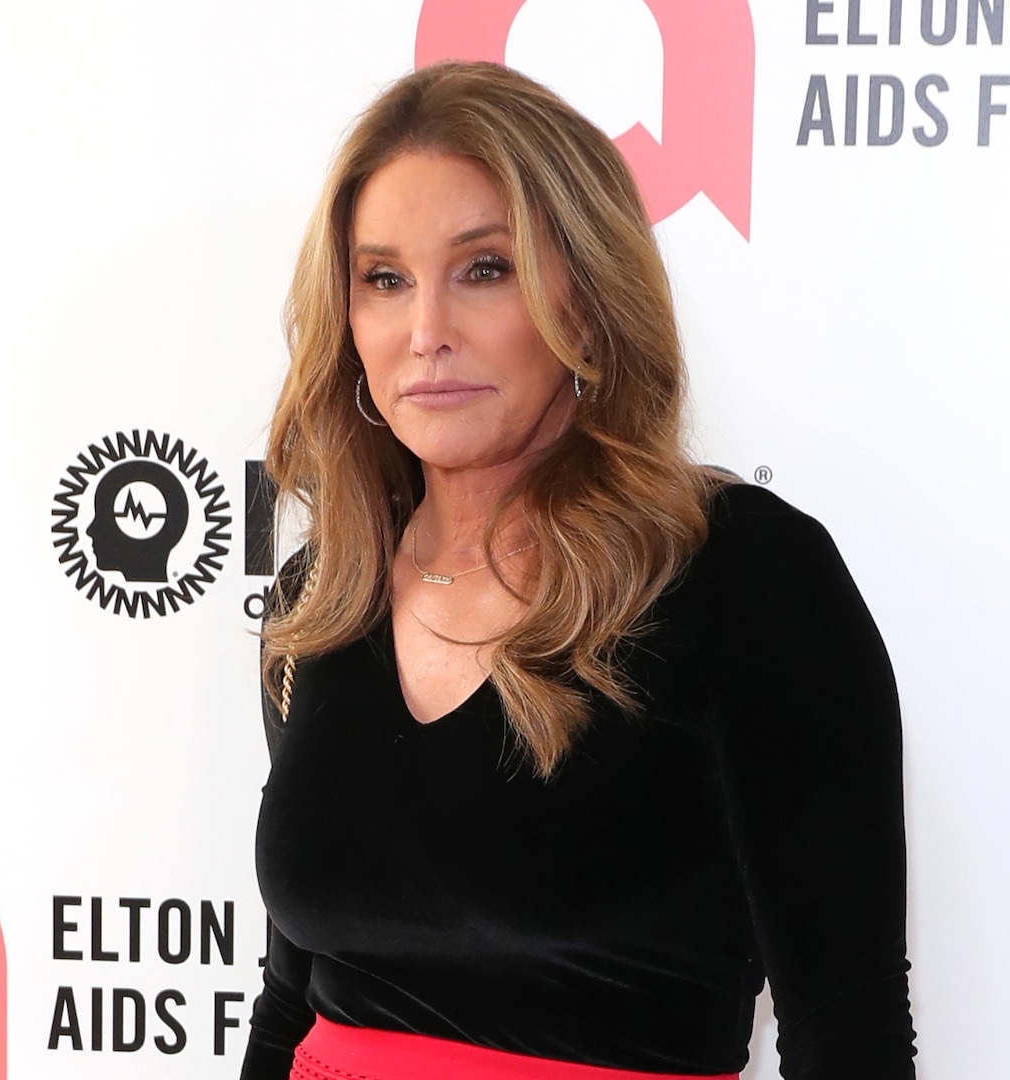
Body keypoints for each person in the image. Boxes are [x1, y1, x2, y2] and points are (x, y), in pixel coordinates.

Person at [240, 62, 917, 1080]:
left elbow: (846, 1032)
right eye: (384, 280)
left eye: (485, 269)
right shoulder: (320, 600)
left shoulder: (742, 576)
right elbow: (290, 1001)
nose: (427, 334)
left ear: (589, 304)